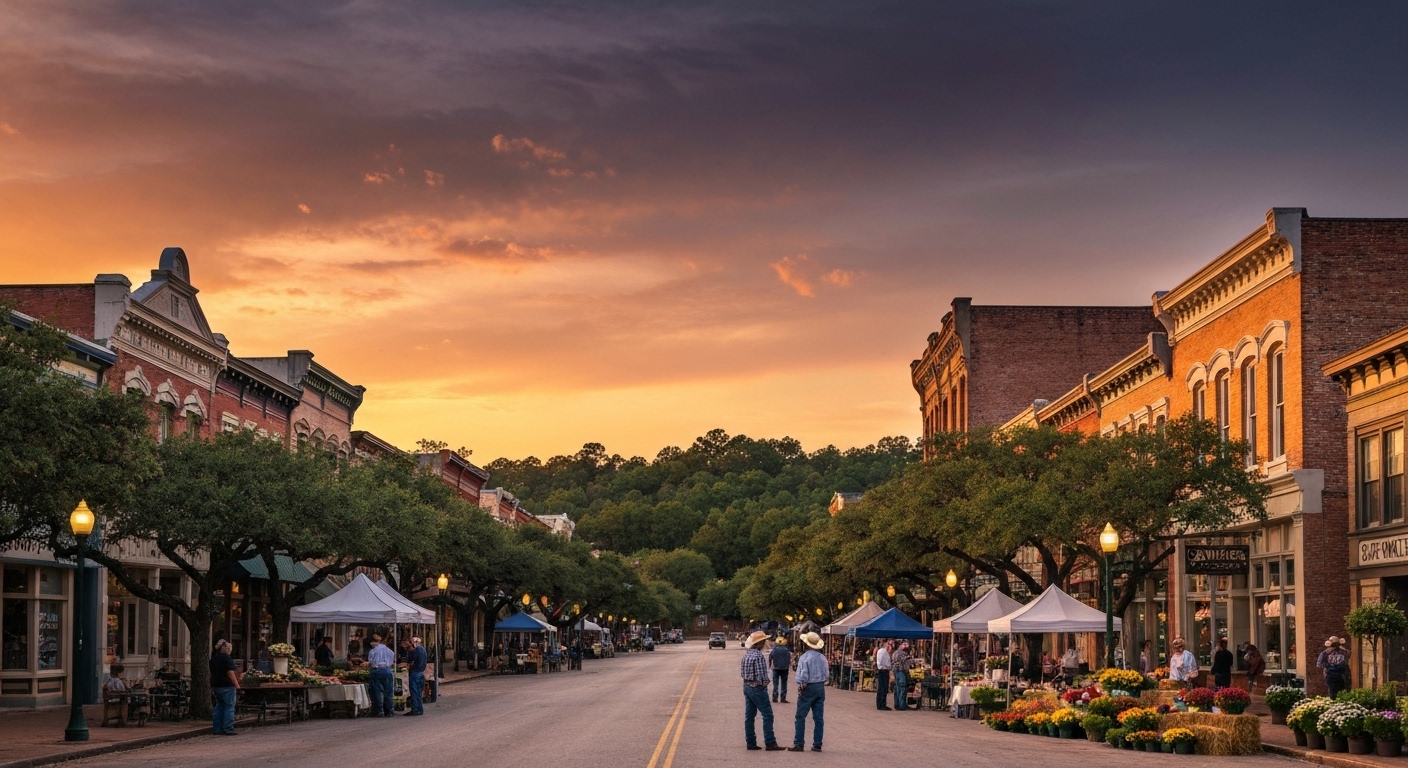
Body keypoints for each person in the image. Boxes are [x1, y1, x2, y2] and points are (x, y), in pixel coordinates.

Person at [740, 631, 784, 751]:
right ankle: (770, 742)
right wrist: (766, 683)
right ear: (761, 643)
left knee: (749, 716)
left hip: (747, 686)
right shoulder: (758, 656)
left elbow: (742, 673)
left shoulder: (747, 655)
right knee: (767, 715)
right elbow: (762, 676)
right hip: (757, 688)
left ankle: (751, 742)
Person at [789, 632, 827, 752]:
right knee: (818, 718)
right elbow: (826, 675)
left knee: (800, 716)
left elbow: (803, 674)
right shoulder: (822, 657)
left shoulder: (805, 657)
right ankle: (817, 744)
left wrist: (801, 684)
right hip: (820, 687)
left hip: (808, 687)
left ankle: (799, 743)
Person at [210, 639, 240, 735]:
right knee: (229, 707)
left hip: (216, 685)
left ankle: (217, 728)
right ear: (226, 648)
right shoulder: (226, 658)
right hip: (227, 685)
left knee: (219, 706)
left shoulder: (213, 659)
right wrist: (237, 684)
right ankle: (228, 728)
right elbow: (230, 673)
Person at [367, 634, 397, 717]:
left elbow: (371, 662)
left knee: (377, 692)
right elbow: (393, 660)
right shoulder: (389, 651)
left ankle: (378, 712)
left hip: (377, 671)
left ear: (373, 642)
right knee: (388, 692)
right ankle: (389, 712)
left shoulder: (373, 651)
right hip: (387, 671)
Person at [1317, 636, 1351, 700]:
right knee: (1332, 690)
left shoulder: (1343, 652)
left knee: (1342, 690)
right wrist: (1327, 666)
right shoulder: (1325, 653)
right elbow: (1319, 664)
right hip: (1330, 674)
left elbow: (1348, 654)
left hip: (1341, 674)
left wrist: (1342, 648)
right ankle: (1333, 701)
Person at [405, 636, 429, 716]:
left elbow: (410, 658)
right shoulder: (423, 650)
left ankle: (415, 709)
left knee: (414, 692)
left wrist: (409, 651)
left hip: (416, 672)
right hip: (420, 672)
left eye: (412, 643)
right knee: (418, 692)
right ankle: (419, 709)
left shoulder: (417, 650)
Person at [769, 637, 793, 704]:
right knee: (784, 683)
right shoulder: (786, 650)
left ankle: (775, 697)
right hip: (785, 668)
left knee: (775, 683)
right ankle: (783, 698)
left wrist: (770, 664)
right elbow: (789, 658)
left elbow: (770, 657)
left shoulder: (774, 650)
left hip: (776, 668)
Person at [891, 641, 914, 710]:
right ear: (900, 645)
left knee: (903, 688)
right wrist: (908, 657)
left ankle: (902, 704)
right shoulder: (897, 653)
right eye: (904, 644)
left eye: (907, 644)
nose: (906, 646)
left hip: (904, 671)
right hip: (899, 671)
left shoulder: (905, 653)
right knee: (901, 687)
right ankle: (900, 705)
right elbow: (898, 659)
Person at [875, 640, 893, 711]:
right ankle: (881, 704)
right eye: (889, 644)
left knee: (884, 687)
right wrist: (883, 667)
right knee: (882, 687)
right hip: (883, 670)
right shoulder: (881, 651)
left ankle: (882, 703)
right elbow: (880, 662)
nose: (890, 646)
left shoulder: (886, 652)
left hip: (885, 670)